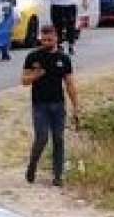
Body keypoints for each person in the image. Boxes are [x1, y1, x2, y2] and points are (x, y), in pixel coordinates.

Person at [21, 24, 80, 187]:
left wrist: (76, 106)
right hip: (40, 105)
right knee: (41, 138)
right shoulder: (33, 57)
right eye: (44, 39)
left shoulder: (64, 59)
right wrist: (35, 75)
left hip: (58, 104)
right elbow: (24, 81)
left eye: (50, 39)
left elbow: (69, 84)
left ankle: (58, 175)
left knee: (59, 139)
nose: (46, 42)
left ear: (56, 38)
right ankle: (32, 164)